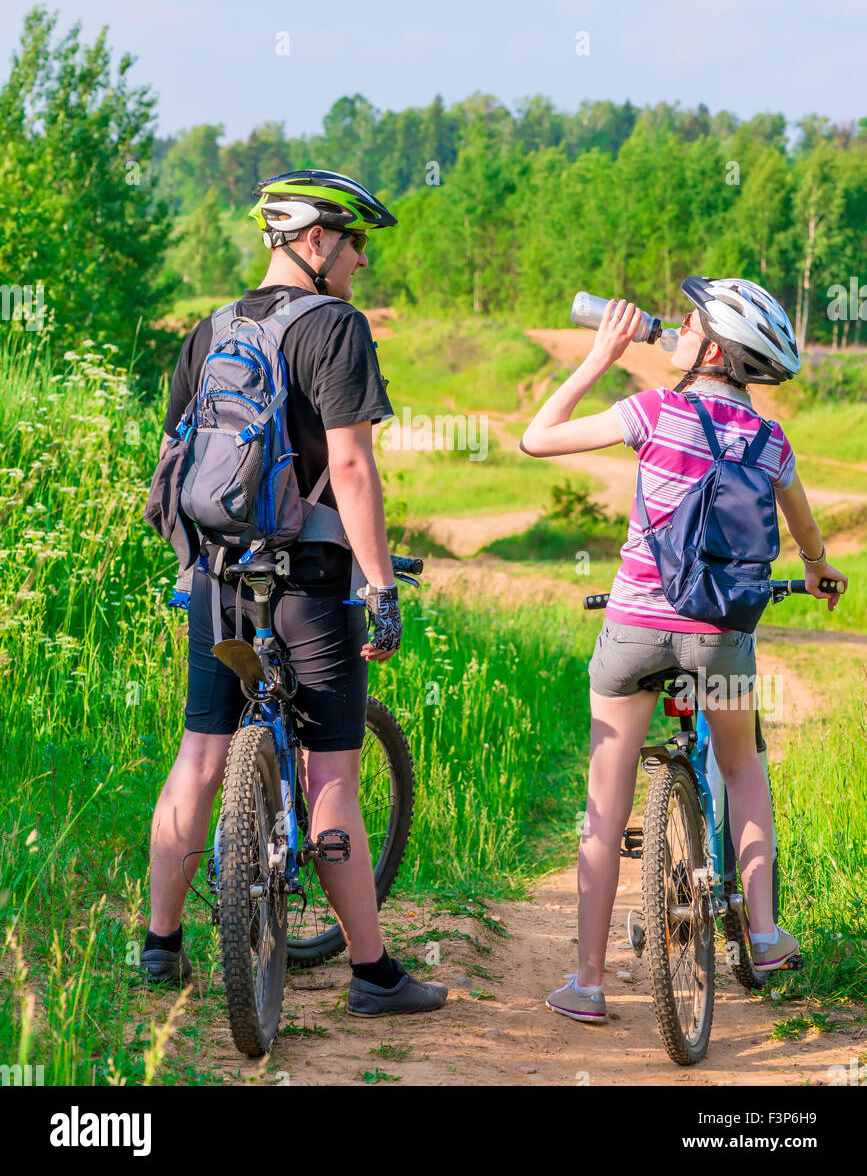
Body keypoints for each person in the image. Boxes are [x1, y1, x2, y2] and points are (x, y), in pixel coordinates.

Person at [141, 169, 447, 1017]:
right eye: (356, 246)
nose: (359, 266)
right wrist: (380, 586)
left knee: (200, 756)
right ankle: (374, 975)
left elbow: (174, 454)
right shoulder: (336, 329)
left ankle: (160, 947)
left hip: (213, 575)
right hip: (309, 582)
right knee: (331, 777)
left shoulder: (212, 328)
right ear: (315, 241)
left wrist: (196, 560)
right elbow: (349, 467)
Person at [520, 278, 847, 1023]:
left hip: (633, 631)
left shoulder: (653, 410)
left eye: (689, 323)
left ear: (705, 345)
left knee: (604, 806)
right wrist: (817, 564)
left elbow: (535, 438)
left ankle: (588, 983)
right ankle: (762, 936)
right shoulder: (770, 443)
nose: (676, 330)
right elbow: (800, 529)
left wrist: (599, 355)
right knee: (741, 766)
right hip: (721, 636)